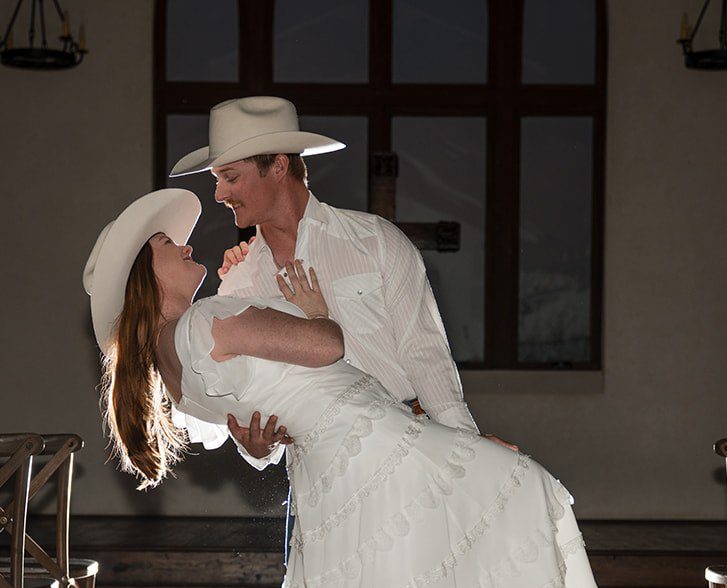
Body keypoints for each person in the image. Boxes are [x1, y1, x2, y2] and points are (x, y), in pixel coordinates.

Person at [83, 189, 622, 588]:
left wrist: (251, 324)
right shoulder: (203, 324)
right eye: (168, 248)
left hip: (332, 474)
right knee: (522, 496)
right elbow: (325, 348)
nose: (186, 245)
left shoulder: (173, 362)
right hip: (371, 453)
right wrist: (313, 309)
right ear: (147, 277)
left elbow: (255, 425)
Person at [168, 95, 514, 466]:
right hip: (322, 470)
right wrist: (257, 449)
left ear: (279, 166)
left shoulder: (374, 240)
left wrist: (470, 447)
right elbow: (257, 412)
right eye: (217, 181)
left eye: (230, 178)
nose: (219, 195)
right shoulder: (238, 285)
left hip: (412, 450)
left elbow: (425, 354)